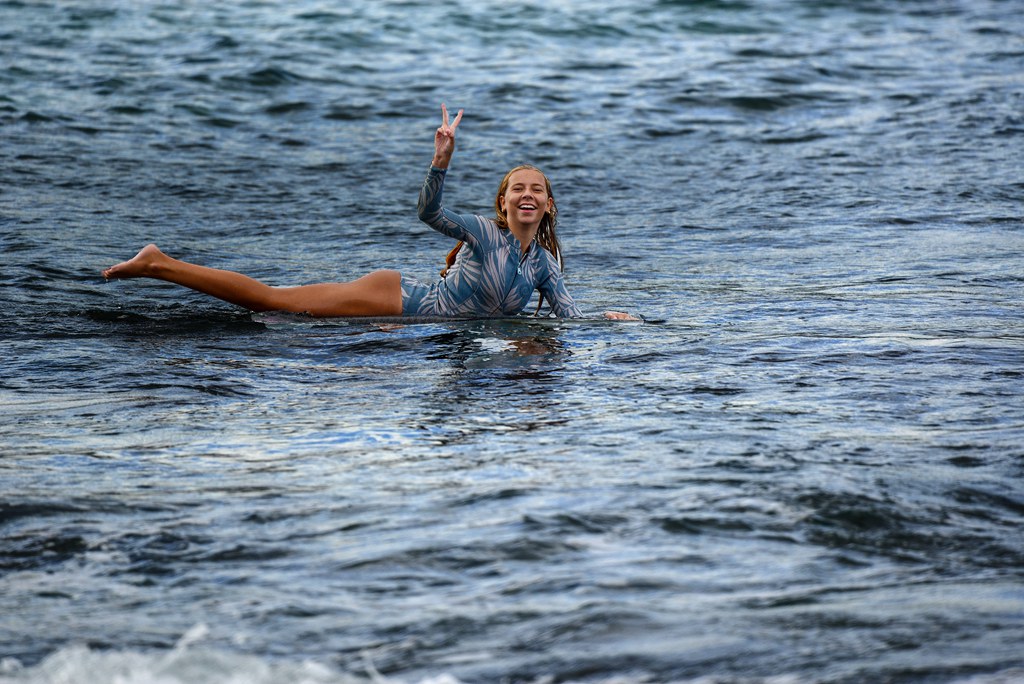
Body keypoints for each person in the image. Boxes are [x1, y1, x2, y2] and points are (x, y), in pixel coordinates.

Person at [103, 104, 635, 320]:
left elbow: (569, 321)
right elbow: (428, 212)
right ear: (503, 203)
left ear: (547, 205)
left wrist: (607, 323)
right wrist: (440, 161)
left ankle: (162, 264)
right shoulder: (480, 230)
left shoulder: (544, 268)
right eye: (517, 187)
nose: (527, 194)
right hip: (398, 301)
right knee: (271, 304)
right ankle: (159, 263)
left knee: (274, 313)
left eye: (536, 189)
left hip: (416, 329)